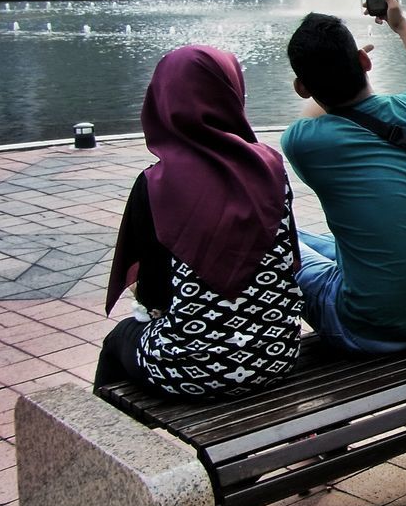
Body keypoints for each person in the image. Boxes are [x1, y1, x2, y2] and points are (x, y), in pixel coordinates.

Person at [96, 46, 303, 397]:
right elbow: (290, 262)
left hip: (189, 371)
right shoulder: (271, 168)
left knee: (118, 340)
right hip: (277, 356)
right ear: (231, 92)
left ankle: (112, 447)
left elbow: (153, 295)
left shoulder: (156, 184)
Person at [283, 0, 406, 355]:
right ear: (365, 63)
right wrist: (399, 25)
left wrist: (334, 81)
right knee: (301, 237)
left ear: (302, 88)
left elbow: (319, 110)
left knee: (268, 240)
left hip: (365, 327)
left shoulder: (303, 142)